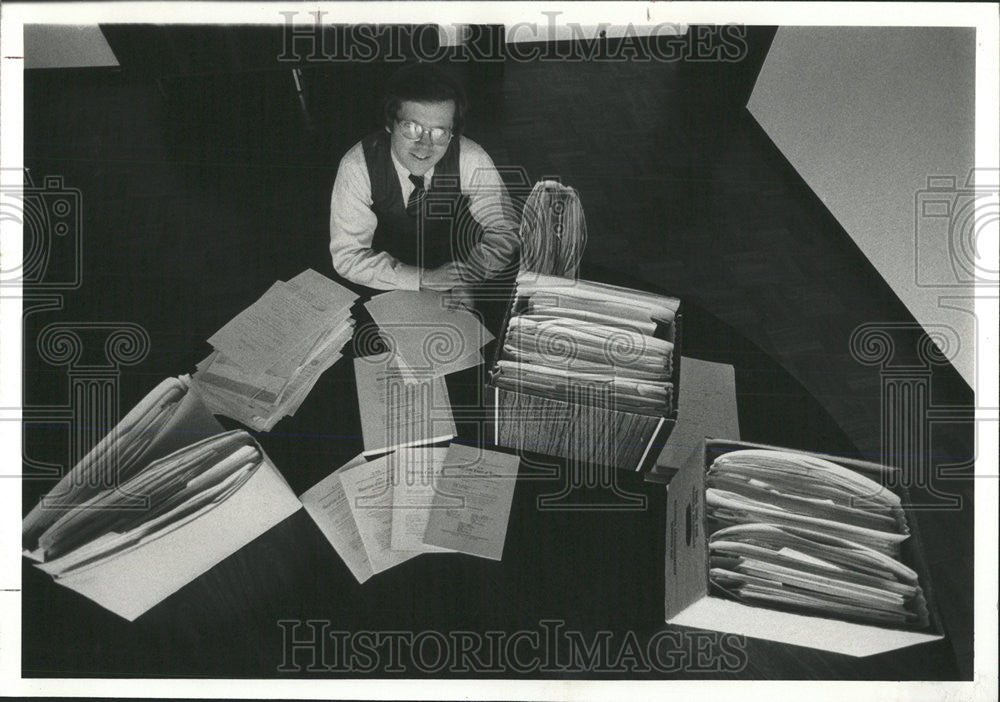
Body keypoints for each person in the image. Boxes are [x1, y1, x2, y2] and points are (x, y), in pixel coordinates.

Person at [328, 62, 519, 310]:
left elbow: (505, 229)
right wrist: (421, 278)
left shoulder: (471, 157)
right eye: (411, 128)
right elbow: (348, 257)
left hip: (455, 264)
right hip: (384, 278)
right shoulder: (357, 165)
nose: (424, 145)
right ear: (389, 124)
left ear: (453, 133)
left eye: (439, 132)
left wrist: (470, 275)